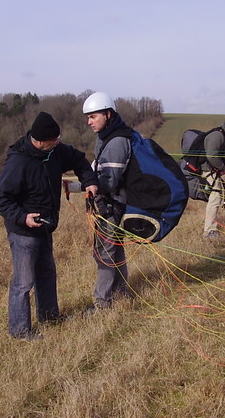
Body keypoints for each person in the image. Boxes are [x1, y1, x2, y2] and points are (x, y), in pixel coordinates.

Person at [0, 111, 98, 340]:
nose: (58, 143)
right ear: (40, 141)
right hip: (23, 232)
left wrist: (88, 181)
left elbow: (79, 160)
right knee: (24, 282)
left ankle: (50, 317)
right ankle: (20, 331)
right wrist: (23, 217)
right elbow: (0, 199)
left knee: (47, 273)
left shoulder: (56, 151)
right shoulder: (18, 162)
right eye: (53, 140)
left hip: (45, 227)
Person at [82, 91, 133, 311]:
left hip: (113, 207)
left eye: (93, 116)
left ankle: (102, 302)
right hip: (113, 204)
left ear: (108, 114)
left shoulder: (117, 142)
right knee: (115, 249)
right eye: (88, 117)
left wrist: (83, 185)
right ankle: (122, 292)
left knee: (105, 253)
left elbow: (108, 183)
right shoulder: (107, 138)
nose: (89, 121)